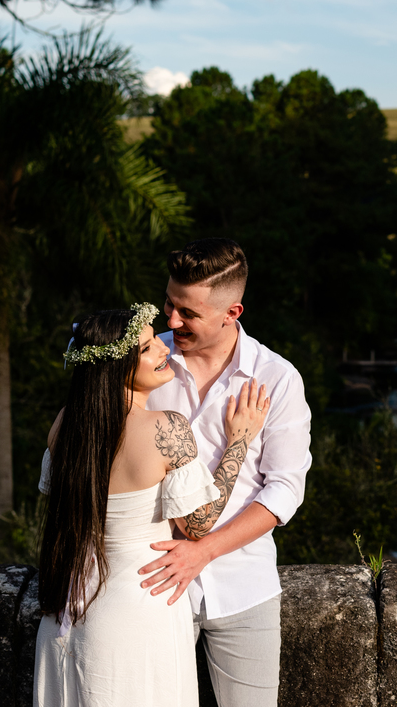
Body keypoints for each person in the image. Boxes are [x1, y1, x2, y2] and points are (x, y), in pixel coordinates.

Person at [33, 303, 271, 707]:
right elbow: (198, 525)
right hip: (138, 606)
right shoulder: (166, 427)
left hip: (69, 606)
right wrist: (240, 441)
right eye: (146, 348)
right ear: (115, 366)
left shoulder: (65, 423)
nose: (163, 350)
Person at [137, 238, 313, 707]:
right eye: (169, 305)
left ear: (231, 312)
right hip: (149, 583)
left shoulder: (277, 379)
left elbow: (284, 491)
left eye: (187, 313)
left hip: (243, 588)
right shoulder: (143, 366)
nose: (171, 321)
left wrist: (204, 552)